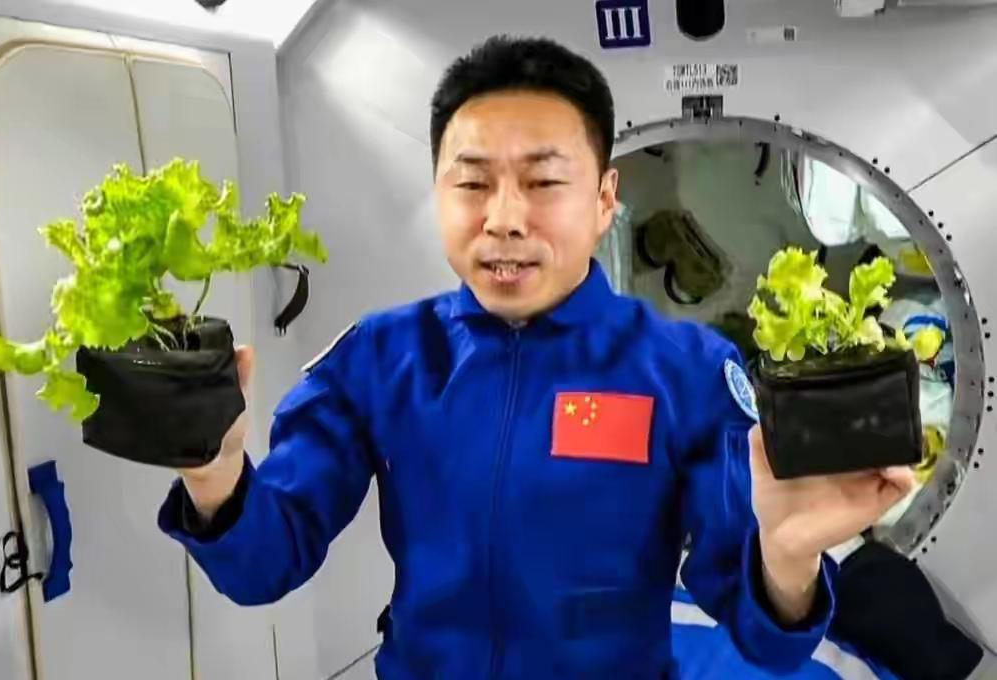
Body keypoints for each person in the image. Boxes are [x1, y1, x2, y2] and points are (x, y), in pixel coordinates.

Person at [158, 35, 914, 679]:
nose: (506, 219)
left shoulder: (684, 370)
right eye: (472, 182)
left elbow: (764, 637)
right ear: (439, 190)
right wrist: (216, 476)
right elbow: (264, 567)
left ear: (605, 198)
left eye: (545, 181)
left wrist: (787, 558)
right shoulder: (382, 359)